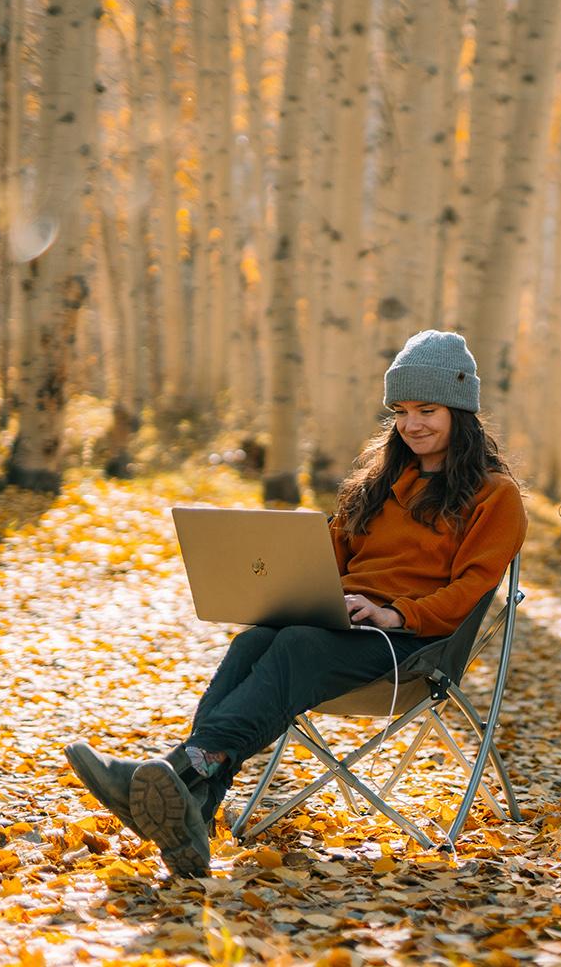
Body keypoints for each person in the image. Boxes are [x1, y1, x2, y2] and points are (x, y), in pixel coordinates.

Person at [64, 330, 529, 879]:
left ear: (461, 411)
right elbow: (325, 559)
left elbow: (468, 592)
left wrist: (395, 613)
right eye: (401, 411)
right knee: (254, 641)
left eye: (428, 409)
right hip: (340, 625)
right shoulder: (379, 483)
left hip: (411, 645)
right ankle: (193, 804)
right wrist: (279, 578)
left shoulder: (495, 496)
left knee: (297, 645)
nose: (412, 423)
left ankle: (182, 775)